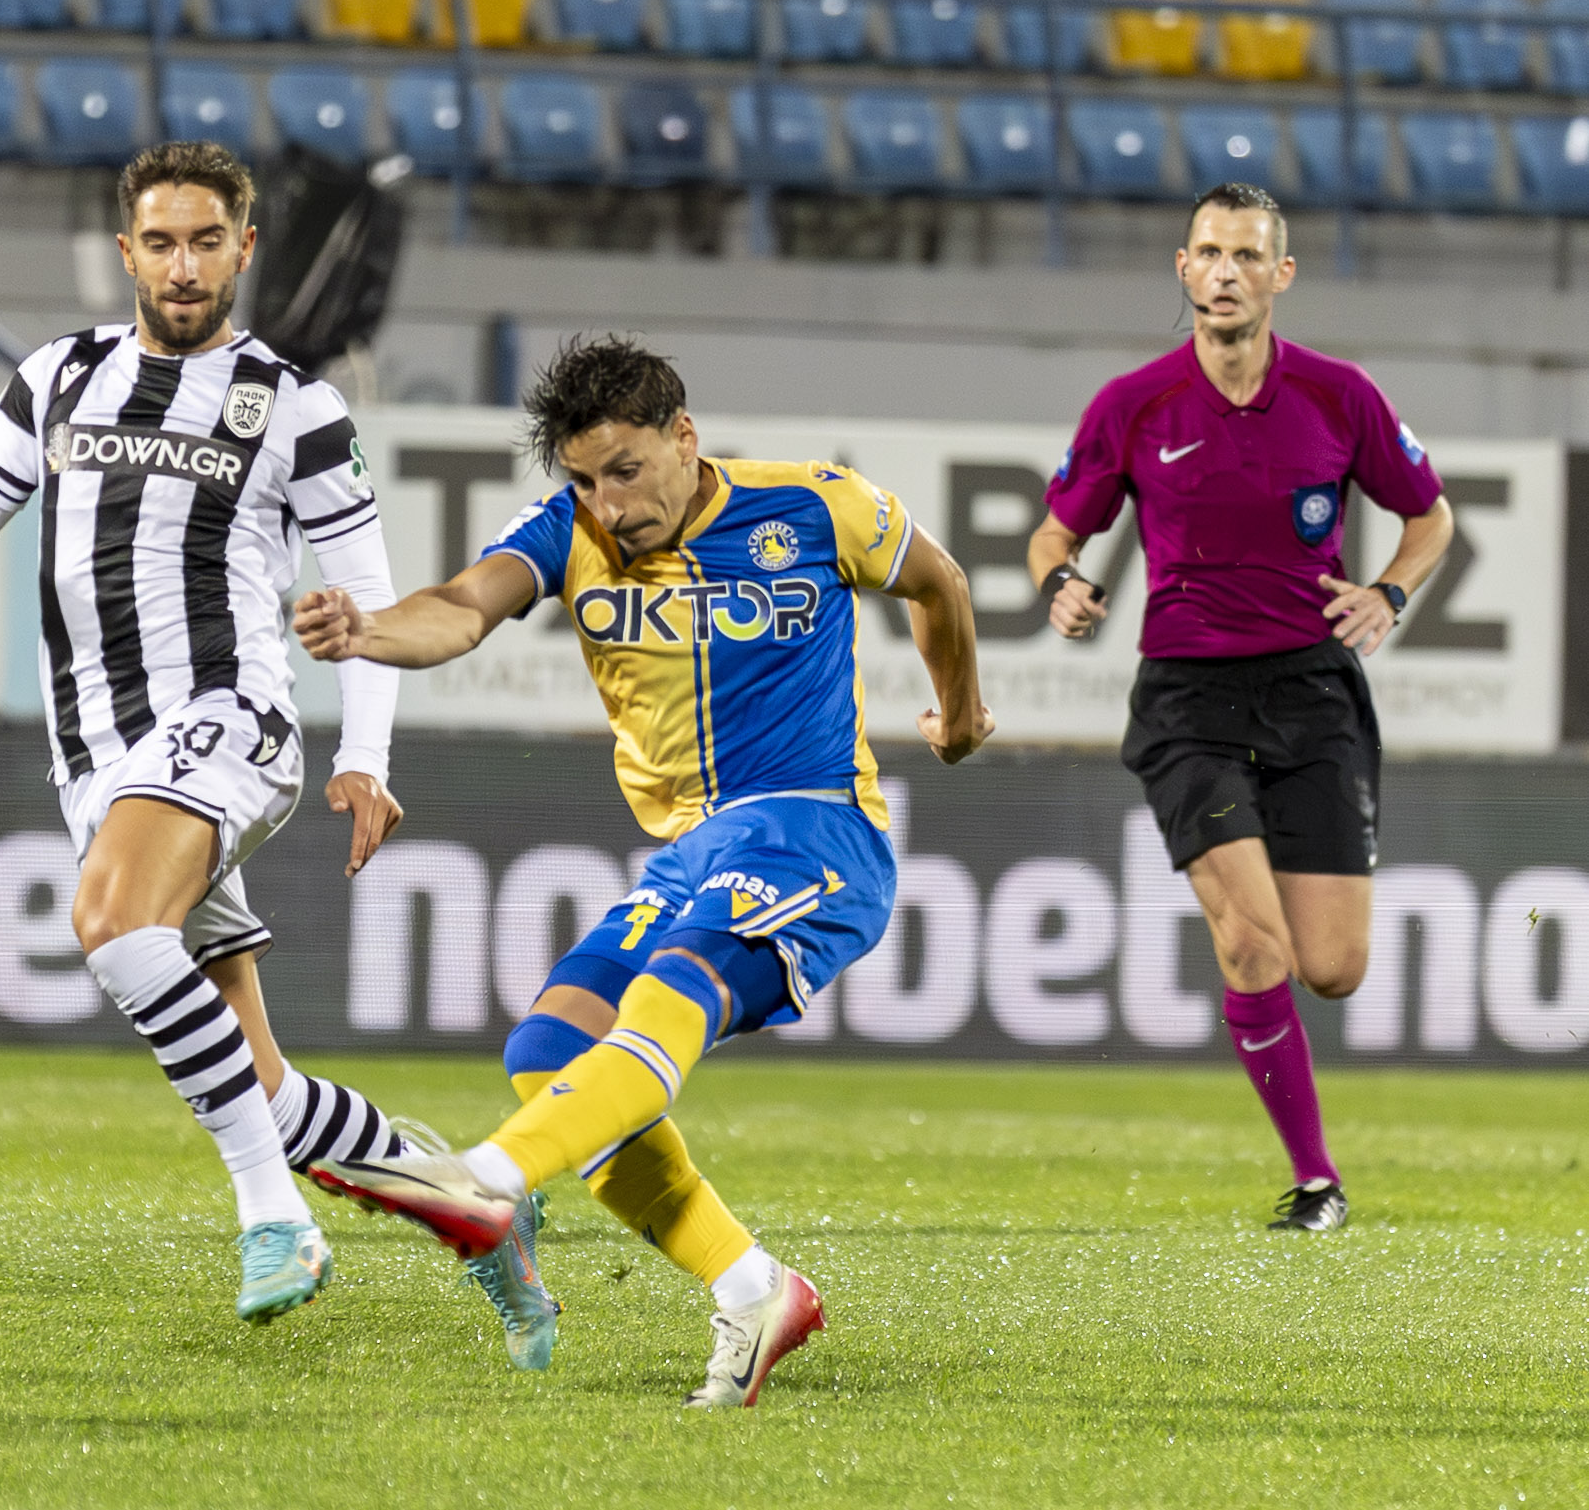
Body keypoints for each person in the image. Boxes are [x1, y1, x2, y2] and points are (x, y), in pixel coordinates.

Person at [292, 336, 989, 1408]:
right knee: (548, 1047)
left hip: (814, 828)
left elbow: (938, 581)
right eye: (584, 479)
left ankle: (485, 1179)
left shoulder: (814, 504)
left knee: (668, 992)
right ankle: (754, 1287)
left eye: (624, 469)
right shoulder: (569, 532)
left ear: (684, 437)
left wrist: (962, 714)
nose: (608, 505)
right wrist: (369, 630)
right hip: (696, 850)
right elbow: (464, 605)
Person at [0, 142, 417, 1324]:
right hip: (98, 755)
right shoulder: (54, 377)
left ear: (244, 249)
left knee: (114, 921)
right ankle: (471, 1198)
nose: (184, 267)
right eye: (163, 244)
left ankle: (274, 1219)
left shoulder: (295, 404)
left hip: (229, 716)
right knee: (259, 1079)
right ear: (127, 252)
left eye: (206, 243)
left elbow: (368, 599)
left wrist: (365, 756)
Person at [1027, 183, 1453, 1233]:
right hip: (1187, 697)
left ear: (1280, 274)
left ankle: (1311, 1154)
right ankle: (1316, 1181)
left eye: (1246, 255)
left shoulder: (1339, 395)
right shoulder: (1132, 403)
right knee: (1253, 944)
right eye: (1208, 253)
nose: (1224, 272)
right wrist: (1060, 583)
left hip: (1311, 689)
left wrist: (1389, 592)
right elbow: (1052, 534)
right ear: (1182, 269)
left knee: (1333, 968)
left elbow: (1431, 517)